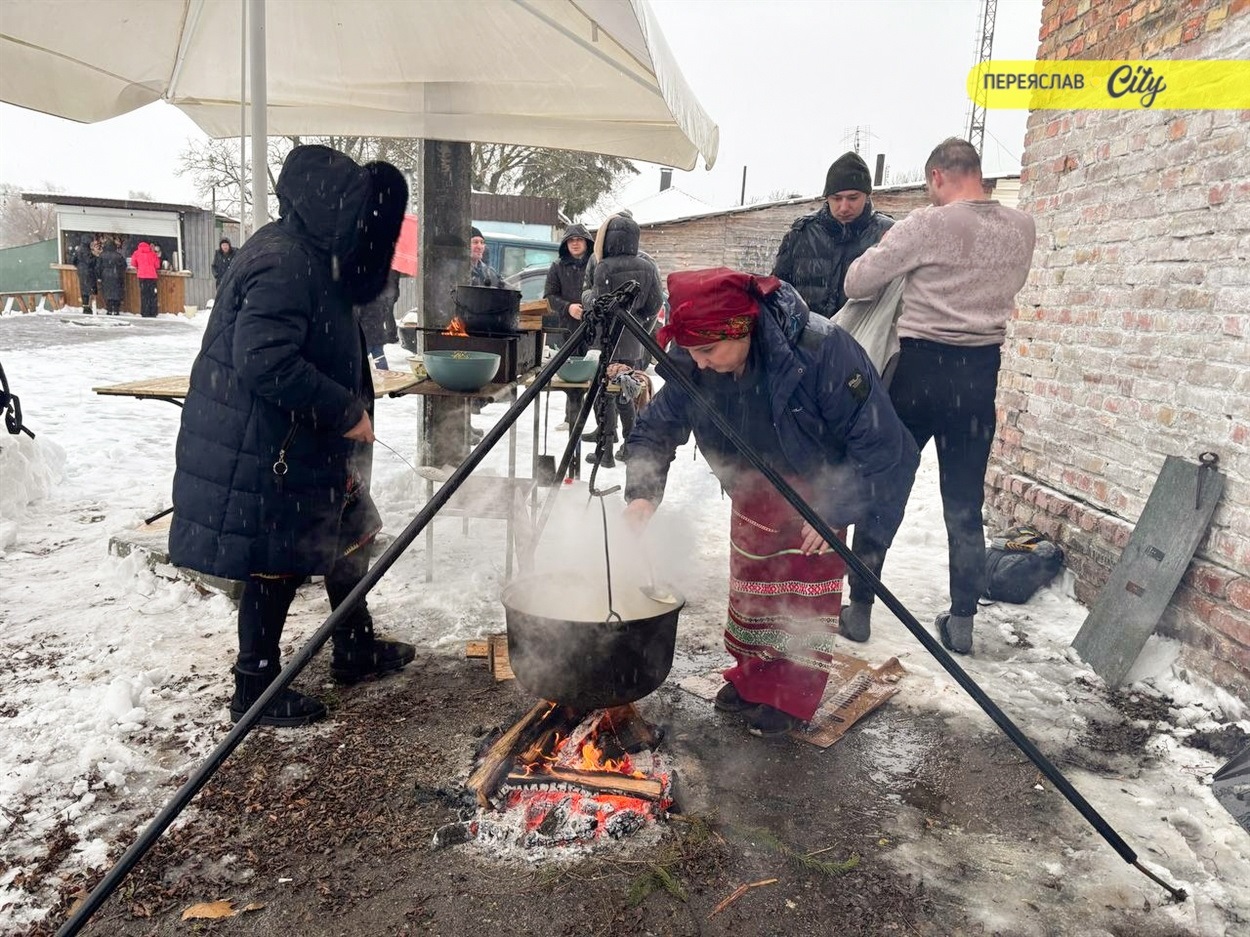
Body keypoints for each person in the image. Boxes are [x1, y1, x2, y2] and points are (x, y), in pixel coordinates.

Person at [169, 144, 414, 727]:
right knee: (275, 560)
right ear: (327, 206)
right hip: (268, 444)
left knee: (351, 534)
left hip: (307, 441)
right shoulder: (284, 260)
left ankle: (353, 645)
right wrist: (343, 409)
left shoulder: (313, 250)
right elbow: (263, 359)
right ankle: (254, 685)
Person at [623, 268, 919, 736]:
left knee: (800, 603)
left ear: (740, 328)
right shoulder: (694, 361)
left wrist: (835, 509)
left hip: (818, 496)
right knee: (753, 594)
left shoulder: (824, 353)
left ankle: (790, 698)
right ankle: (753, 678)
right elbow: (657, 428)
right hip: (751, 490)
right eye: (692, 352)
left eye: (707, 351)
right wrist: (641, 497)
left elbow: (886, 448)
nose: (698, 363)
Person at [840, 137, 1036, 655]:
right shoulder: (1023, 228)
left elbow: (857, 282)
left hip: (921, 372)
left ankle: (859, 606)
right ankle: (963, 621)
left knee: (887, 487)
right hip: (979, 377)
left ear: (936, 177)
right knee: (964, 503)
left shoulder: (929, 224)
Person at [581, 213, 663, 468]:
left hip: (607, 341)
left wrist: (585, 298)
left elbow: (600, 306)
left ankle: (604, 452)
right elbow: (656, 302)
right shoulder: (648, 266)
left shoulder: (604, 266)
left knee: (603, 394)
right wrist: (640, 327)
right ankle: (630, 444)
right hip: (632, 342)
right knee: (627, 390)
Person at [771, 151, 894, 320]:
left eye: (852, 198)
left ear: (867, 196)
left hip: (862, 341)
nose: (844, 207)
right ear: (827, 197)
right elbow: (777, 293)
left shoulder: (886, 236)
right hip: (806, 339)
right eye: (836, 198)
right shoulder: (802, 234)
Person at [542, 224, 594, 429]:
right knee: (572, 372)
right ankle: (571, 418)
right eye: (571, 240)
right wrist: (568, 307)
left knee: (598, 372)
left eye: (579, 240)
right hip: (569, 328)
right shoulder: (557, 267)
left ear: (586, 243)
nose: (575, 243)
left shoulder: (596, 264)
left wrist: (591, 308)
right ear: (566, 244)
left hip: (594, 327)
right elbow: (549, 297)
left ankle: (604, 426)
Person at [357, 268, 401, 370]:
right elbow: (385, 313)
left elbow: (357, 316)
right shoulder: (379, 296)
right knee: (380, 358)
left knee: (361, 360)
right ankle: (386, 377)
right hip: (378, 333)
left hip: (366, 335)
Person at [96, 240, 127, 315]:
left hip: (105, 276)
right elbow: (124, 266)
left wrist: (99, 276)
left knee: (107, 293)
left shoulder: (102, 255)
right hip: (116, 275)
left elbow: (98, 267)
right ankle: (116, 310)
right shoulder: (118, 255)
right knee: (116, 293)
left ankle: (109, 309)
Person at [130, 241, 160, 317]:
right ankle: (153, 312)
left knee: (144, 295)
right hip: (152, 277)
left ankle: (145, 312)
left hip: (142, 276)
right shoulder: (152, 253)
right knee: (152, 295)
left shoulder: (136, 253)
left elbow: (133, 263)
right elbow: (157, 265)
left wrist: (139, 266)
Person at [73, 235, 97, 314]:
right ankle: (90, 308)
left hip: (81, 272)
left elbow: (73, 261)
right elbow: (89, 261)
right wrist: (95, 257)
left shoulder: (79, 249)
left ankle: (85, 306)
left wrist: (79, 267)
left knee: (84, 289)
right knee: (91, 289)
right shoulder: (86, 250)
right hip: (88, 272)